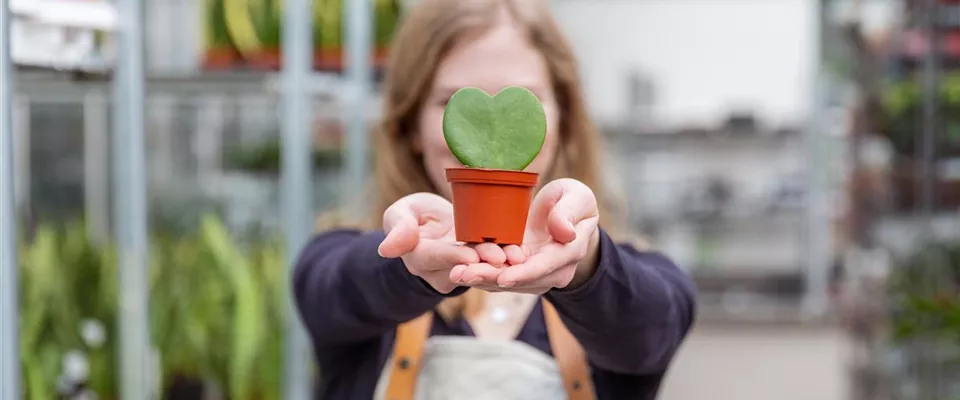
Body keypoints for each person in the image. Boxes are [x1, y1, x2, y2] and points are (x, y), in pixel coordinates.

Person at [292, 0, 697, 398]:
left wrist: (585, 267)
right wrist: (409, 263)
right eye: (451, 102)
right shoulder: (338, 266)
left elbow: (649, 332)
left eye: (525, 100)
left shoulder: (642, 283)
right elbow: (337, 289)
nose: (490, 136)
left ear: (563, 121)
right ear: (411, 124)